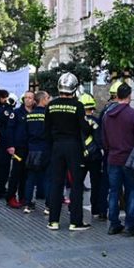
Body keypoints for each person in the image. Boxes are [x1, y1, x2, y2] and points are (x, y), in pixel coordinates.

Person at [45, 73, 91, 231]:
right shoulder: (77, 105)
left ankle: (53, 221)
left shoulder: (51, 105)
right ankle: (75, 222)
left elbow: (46, 129)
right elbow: (84, 128)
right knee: (76, 184)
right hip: (73, 147)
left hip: (57, 146)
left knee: (56, 183)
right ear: (74, 88)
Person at [103, 83, 134, 237]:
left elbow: (104, 139)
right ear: (129, 96)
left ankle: (114, 224)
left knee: (114, 191)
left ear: (117, 96)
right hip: (130, 160)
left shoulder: (107, 115)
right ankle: (130, 225)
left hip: (113, 158)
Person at [23, 91, 51, 214]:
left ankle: (28, 204)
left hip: (32, 150)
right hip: (45, 149)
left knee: (30, 178)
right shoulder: (48, 115)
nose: (49, 100)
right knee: (47, 178)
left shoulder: (29, 115)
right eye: (48, 98)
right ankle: (48, 206)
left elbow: (25, 133)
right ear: (43, 99)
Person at [6, 91, 35, 209]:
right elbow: (10, 130)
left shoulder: (35, 112)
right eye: (26, 97)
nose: (28, 100)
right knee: (16, 173)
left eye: (30, 98)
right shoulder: (16, 113)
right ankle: (11, 197)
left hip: (31, 146)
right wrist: (10, 145)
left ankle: (23, 197)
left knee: (26, 174)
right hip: (19, 147)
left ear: (34, 100)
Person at [80, 93, 106, 220]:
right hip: (94, 157)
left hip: (79, 156)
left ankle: (73, 207)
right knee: (96, 183)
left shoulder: (75, 121)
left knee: (78, 183)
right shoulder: (96, 121)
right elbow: (99, 139)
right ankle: (96, 209)